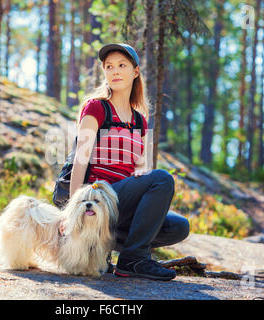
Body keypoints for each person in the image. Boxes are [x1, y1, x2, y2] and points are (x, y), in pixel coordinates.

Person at [67, 43, 190, 281]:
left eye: (122, 65)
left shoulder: (140, 121)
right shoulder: (97, 107)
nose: (114, 71)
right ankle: (133, 259)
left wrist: (143, 176)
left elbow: (141, 170)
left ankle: (109, 248)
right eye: (109, 66)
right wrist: (72, 210)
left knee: (179, 226)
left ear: (135, 72)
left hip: (122, 203)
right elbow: (79, 162)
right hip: (98, 196)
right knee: (162, 179)